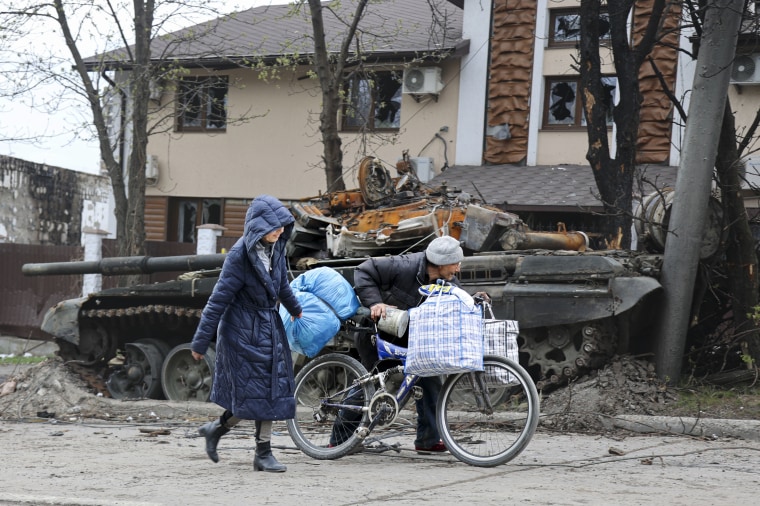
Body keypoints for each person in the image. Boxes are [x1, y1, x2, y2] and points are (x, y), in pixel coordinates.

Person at [336, 235, 485, 453]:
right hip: (380, 335)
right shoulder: (404, 266)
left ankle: (428, 440)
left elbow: (459, 299)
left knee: (431, 383)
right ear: (441, 262)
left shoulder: (448, 281)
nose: (458, 269)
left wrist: (475, 298)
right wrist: (375, 302)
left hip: (415, 340)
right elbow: (364, 270)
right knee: (371, 386)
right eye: (456, 263)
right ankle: (338, 440)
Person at [190, 195, 302, 473]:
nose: (279, 231)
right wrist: (201, 341)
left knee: (268, 391)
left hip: (268, 326)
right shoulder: (240, 256)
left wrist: (296, 308)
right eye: (273, 226)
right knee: (259, 393)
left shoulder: (275, 249)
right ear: (259, 226)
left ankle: (217, 429)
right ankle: (262, 453)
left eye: (281, 226)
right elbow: (217, 300)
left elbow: (282, 285)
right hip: (241, 331)